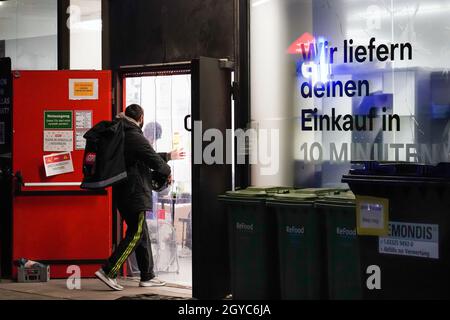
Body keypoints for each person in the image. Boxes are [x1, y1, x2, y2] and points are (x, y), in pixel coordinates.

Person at [95, 104, 172, 291]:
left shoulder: (120, 132)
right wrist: (167, 170)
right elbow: (153, 159)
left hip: (123, 191)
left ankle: (147, 275)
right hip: (134, 192)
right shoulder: (133, 135)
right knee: (136, 234)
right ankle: (109, 270)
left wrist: (168, 156)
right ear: (141, 117)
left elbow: (141, 156)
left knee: (141, 233)